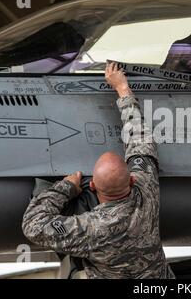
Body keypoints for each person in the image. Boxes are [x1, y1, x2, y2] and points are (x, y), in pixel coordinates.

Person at [22, 62, 175, 279]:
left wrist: (65, 187)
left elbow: (33, 226)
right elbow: (140, 139)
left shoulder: (92, 228)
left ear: (92, 186)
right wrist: (122, 88)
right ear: (132, 180)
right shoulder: (147, 191)